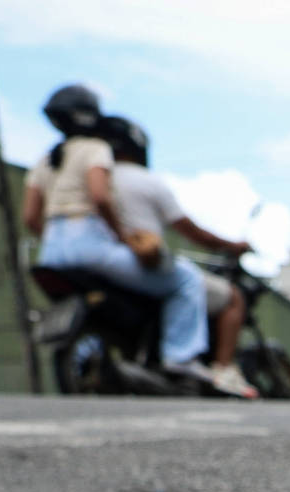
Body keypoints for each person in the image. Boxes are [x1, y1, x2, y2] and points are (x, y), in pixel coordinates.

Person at [21, 85, 240, 397]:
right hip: (91, 245)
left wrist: (54, 241)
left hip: (52, 251)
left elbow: (30, 216)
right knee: (185, 279)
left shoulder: (45, 160)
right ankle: (180, 358)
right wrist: (121, 235)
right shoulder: (95, 149)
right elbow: (99, 196)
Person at [101, 117, 256, 399]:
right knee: (225, 294)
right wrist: (230, 245)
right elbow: (189, 230)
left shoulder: (99, 178)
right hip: (141, 262)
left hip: (108, 261)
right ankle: (214, 367)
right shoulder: (146, 182)